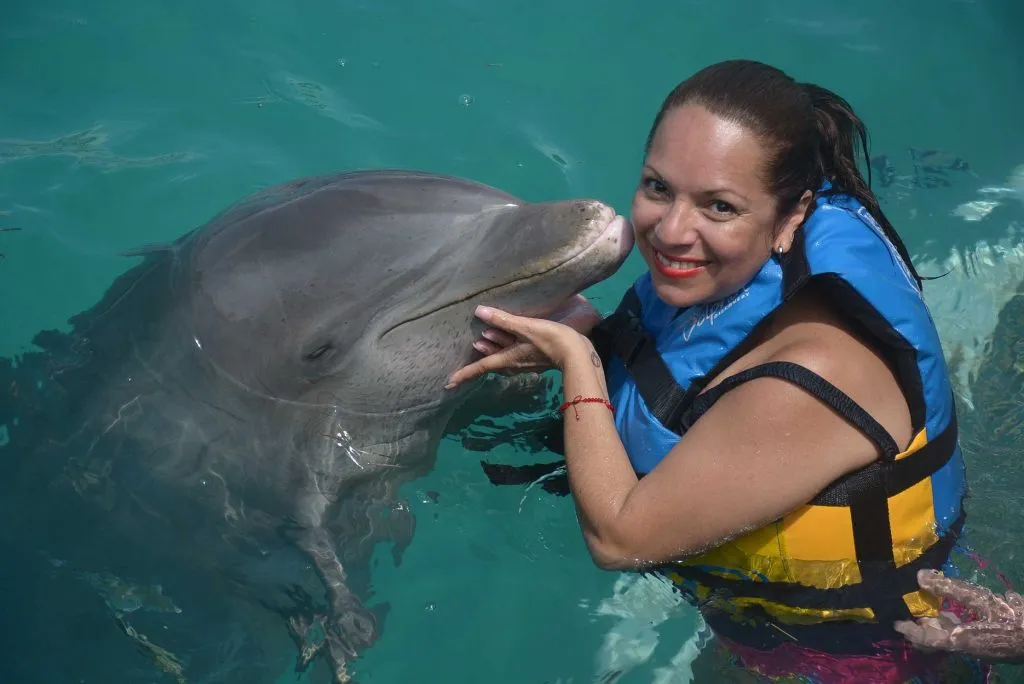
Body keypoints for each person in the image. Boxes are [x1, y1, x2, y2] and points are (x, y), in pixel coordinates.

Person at [444, 59, 998, 682]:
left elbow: (619, 540)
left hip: (852, 661)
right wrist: (591, 334)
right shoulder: (735, 272)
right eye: (658, 187)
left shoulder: (810, 375)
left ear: (792, 215)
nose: (673, 230)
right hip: (769, 625)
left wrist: (577, 361)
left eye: (720, 207)